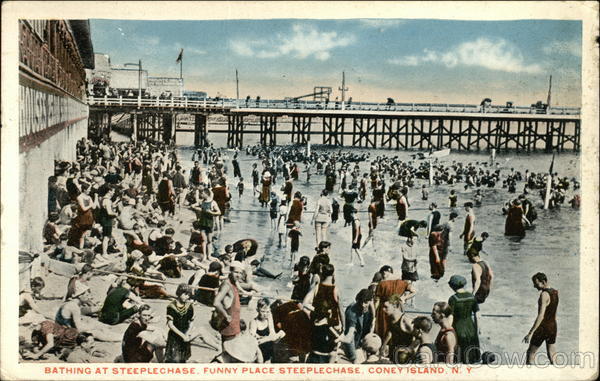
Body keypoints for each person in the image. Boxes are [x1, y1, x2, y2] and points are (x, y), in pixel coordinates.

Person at [523, 272, 559, 365]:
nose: (534, 286)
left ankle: (530, 375)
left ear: (543, 282)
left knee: (531, 353)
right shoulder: (555, 292)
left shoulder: (544, 295)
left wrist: (530, 333)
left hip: (543, 327)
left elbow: (541, 316)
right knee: (552, 354)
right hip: (553, 326)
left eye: (536, 283)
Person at [447, 275, 481, 364]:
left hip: (458, 328)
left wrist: (447, 330)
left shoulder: (453, 299)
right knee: (472, 353)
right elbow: (477, 315)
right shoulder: (472, 297)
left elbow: (451, 316)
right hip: (471, 327)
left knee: (460, 355)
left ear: (452, 286)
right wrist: (478, 329)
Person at [374, 271, 416, 340]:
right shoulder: (402, 283)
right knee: (396, 324)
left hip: (384, 307)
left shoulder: (382, 284)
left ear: (385, 273)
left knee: (383, 327)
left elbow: (377, 301)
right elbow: (414, 291)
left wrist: (374, 313)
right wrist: (404, 298)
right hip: (397, 306)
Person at [339, 289, 374, 364]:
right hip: (353, 340)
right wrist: (353, 356)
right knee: (355, 361)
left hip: (362, 338)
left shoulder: (370, 307)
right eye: (361, 302)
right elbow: (350, 332)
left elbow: (371, 322)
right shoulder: (352, 312)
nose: (363, 305)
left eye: (365, 302)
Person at [213, 261, 245, 344]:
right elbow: (216, 302)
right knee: (229, 351)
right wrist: (226, 315)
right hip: (229, 326)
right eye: (236, 272)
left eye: (240, 273)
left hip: (234, 324)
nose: (238, 275)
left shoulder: (233, 283)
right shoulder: (227, 285)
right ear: (230, 271)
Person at [165, 284, 195, 363]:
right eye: (185, 294)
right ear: (179, 293)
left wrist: (188, 333)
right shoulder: (171, 307)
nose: (187, 297)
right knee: (174, 359)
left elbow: (191, 321)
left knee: (183, 359)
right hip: (174, 336)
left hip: (185, 333)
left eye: (189, 295)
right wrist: (182, 335)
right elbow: (170, 325)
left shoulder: (189, 306)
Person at [381, 294, 414, 363]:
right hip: (394, 353)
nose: (383, 310)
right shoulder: (391, 318)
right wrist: (383, 346)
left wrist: (408, 350)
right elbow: (390, 332)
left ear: (394, 306)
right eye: (383, 307)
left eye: (386, 307)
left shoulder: (405, 321)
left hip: (404, 357)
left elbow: (419, 337)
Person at [249, 298, 284, 362]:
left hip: (269, 348)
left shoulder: (269, 317)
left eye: (267, 311)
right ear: (257, 310)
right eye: (262, 311)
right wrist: (270, 338)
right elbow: (253, 342)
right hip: (259, 351)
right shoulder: (254, 322)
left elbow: (272, 334)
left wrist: (278, 336)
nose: (265, 314)